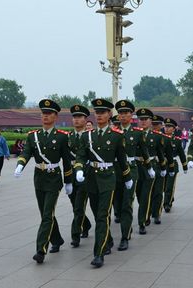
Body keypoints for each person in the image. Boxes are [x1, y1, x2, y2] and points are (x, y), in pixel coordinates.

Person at [73, 98, 132, 268]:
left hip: (108, 178)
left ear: (109, 115)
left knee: (102, 214)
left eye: (103, 113)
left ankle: (98, 253)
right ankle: (108, 239)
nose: (99, 115)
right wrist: (78, 169)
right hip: (91, 178)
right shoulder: (86, 136)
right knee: (96, 211)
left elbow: (122, 160)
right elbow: (81, 156)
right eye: (97, 112)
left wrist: (127, 178)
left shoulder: (116, 136)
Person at [14, 99, 73, 264]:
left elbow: (67, 161)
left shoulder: (62, 137)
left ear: (55, 116)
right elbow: (26, 153)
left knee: (47, 214)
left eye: (48, 114)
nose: (45, 117)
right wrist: (20, 165)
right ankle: (57, 239)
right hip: (39, 178)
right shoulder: (33, 136)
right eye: (43, 114)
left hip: (54, 178)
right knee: (45, 213)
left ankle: (41, 249)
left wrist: (68, 181)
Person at [114, 99, 153, 251]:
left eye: (126, 113)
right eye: (121, 113)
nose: (123, 116)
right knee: (116, 203)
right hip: (115, 170)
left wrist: (149, 168)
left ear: (131, 115)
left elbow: (144, 152)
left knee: (127, 204)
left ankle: (125, 236)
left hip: (131, 170)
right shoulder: (113, 132)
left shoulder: (137, 134)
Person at [68, 104, 92, 248]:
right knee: (74, 205)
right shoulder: (68, 137)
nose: (76, 120)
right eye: (74, 117)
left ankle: (75, 235)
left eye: (79, 117)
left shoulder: (91, 136)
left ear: (85, 119)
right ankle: (86, 224)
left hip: (86, 174)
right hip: (71, 174)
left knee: (78, 206)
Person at [148, 115, 174, 220]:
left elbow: (169, 155)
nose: (155, 126)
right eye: (153, 124)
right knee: (148, 192)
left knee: (158, 191)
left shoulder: (165, 139)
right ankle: (147, 212)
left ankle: (156, 214)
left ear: (161, 125)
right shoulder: (145, 136)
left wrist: (171, 169)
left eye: (157, 124)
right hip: (148, 166)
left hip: (160, 166)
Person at [163, 118, 187, 213]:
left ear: (174, 129)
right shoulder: (160, 138)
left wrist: (184, 166)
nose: (167, 128)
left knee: (169, 185)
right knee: (163, 186)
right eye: (166, 126)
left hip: (172, 164)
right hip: (162, 165)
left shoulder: (177, 141)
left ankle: (167, 204)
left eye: (169, 127)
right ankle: (170, 197)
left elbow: (181, 154)